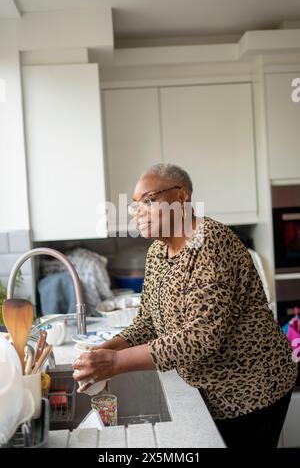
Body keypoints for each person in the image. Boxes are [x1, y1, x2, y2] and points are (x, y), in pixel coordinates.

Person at [73, 163, 297, 447]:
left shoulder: (210, 242)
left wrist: (116, 363)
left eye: (149, 201)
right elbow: (148, 322)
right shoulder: (157, 251)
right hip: (208, 392)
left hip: (251, 390)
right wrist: (105, 351)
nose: (137, 211)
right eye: (134, 205)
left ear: (181, 197)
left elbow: (203, 337)